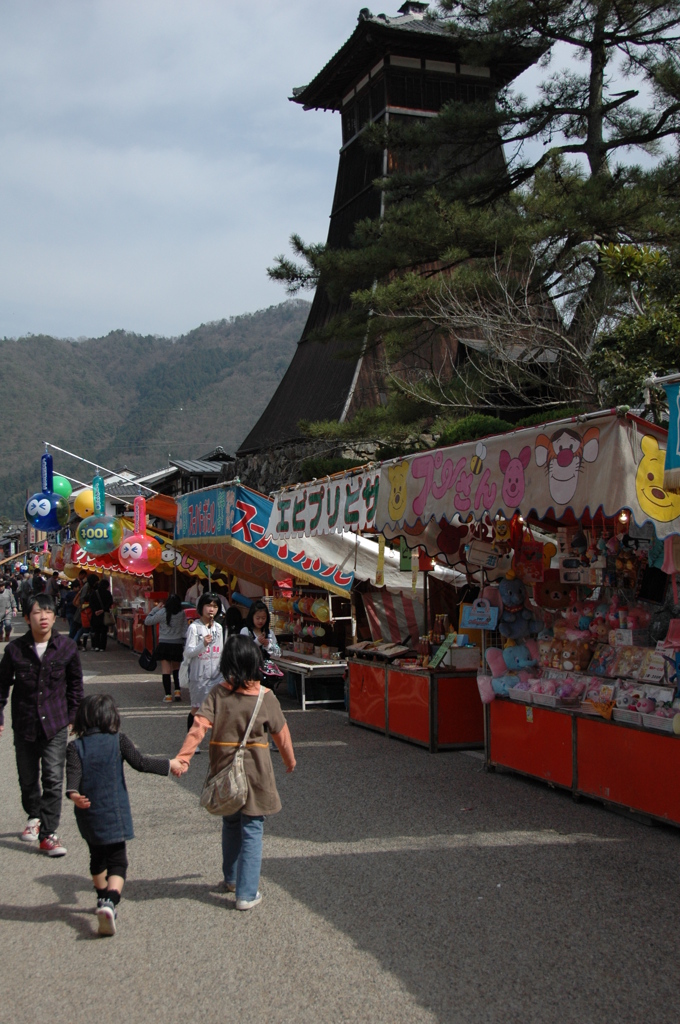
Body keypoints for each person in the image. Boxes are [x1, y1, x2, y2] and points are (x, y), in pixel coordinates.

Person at [173, 635, 295, 910]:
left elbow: (198, 726)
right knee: (252, 827)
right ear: (256, 664)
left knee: (230, 822)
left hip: (224, 768)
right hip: (256, 771)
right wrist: (290, 760)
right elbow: (281, 732)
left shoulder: (218, 694)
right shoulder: (266, 696)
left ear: (226, 663)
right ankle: (247, 893)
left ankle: (231, 878)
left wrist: (184, 758)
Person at [66, 694, 184, 936]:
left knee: (96, 857)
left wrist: (74, 795)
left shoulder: (74, 747)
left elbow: (73, 778)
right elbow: (140, 762)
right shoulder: (119, 740)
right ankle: (110, 901)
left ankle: (101, 899)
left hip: (88, 813)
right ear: (111, 717)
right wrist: (169, 764)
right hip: (114, 812)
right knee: (118, 861)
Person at [0, 593, 83, 856]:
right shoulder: (14, 650)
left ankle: (49, 834)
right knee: (27, 778)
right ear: (26, 618)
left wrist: (73, 717)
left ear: (54, 616)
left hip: (56, 723)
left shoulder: (67, 647)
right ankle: (34, 816)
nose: (43, 616)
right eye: (37, 612)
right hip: (24, 723)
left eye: (48, 611)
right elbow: (1, 686)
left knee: (53, 777)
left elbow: (76, 686)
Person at [183, 593, 224, 742]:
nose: (211, 609)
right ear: (201, 607)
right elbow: (188, 651)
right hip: (199, 675)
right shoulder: (194, 628)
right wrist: (203, 644)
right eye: (208, 605)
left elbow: (222, 649)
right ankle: (193, 740)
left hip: (217, 674)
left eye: (215, 606)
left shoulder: (218, 628)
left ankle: (217, 739)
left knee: (217, 708)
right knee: (197, 709)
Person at [144, 594, 188, 703]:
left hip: (164, 644)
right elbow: (185, 629)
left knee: (166, 671)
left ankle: (168, 695)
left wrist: (155, 609)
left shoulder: (162, 612)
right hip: (177, 643)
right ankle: (177, 691)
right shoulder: (181, 613)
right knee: (176, 669)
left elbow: (148, 621)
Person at [89, 578, 114, 652]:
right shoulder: (108, 593)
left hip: (95, 615)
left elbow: (91, 603)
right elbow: (110, 602)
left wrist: (95, 611)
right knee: (104, 631)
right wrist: (103, 610)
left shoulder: (94, 593)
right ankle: (102, 647)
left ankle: (96, 646)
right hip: (104, 614)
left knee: (96, 631)